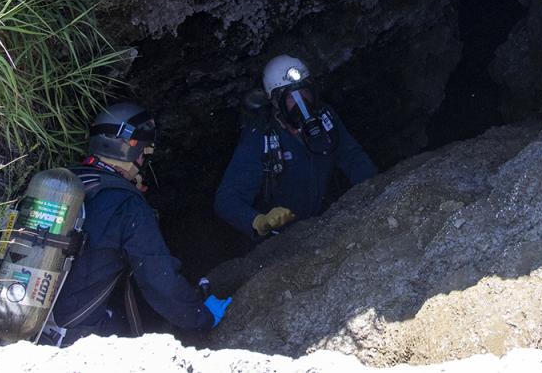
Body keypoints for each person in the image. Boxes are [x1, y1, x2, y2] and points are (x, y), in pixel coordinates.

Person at [50, 102, 231, 345]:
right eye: (144, 152)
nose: (144, 161)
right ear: (130, 149)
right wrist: (200, 316)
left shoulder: (66, 181)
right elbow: (159, 280)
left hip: (31, 320)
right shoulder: (125, 202)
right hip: (77, 335)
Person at [215, 54, 378, 240]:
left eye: (305, 93)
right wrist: (259, 221)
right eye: (291, 97)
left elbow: (353, 158)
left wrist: (374, 189)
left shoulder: (326, 119)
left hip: (320, 225)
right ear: (276, 102)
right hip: (280, 240)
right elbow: (227, 198)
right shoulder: (262, 137)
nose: (302, 103)